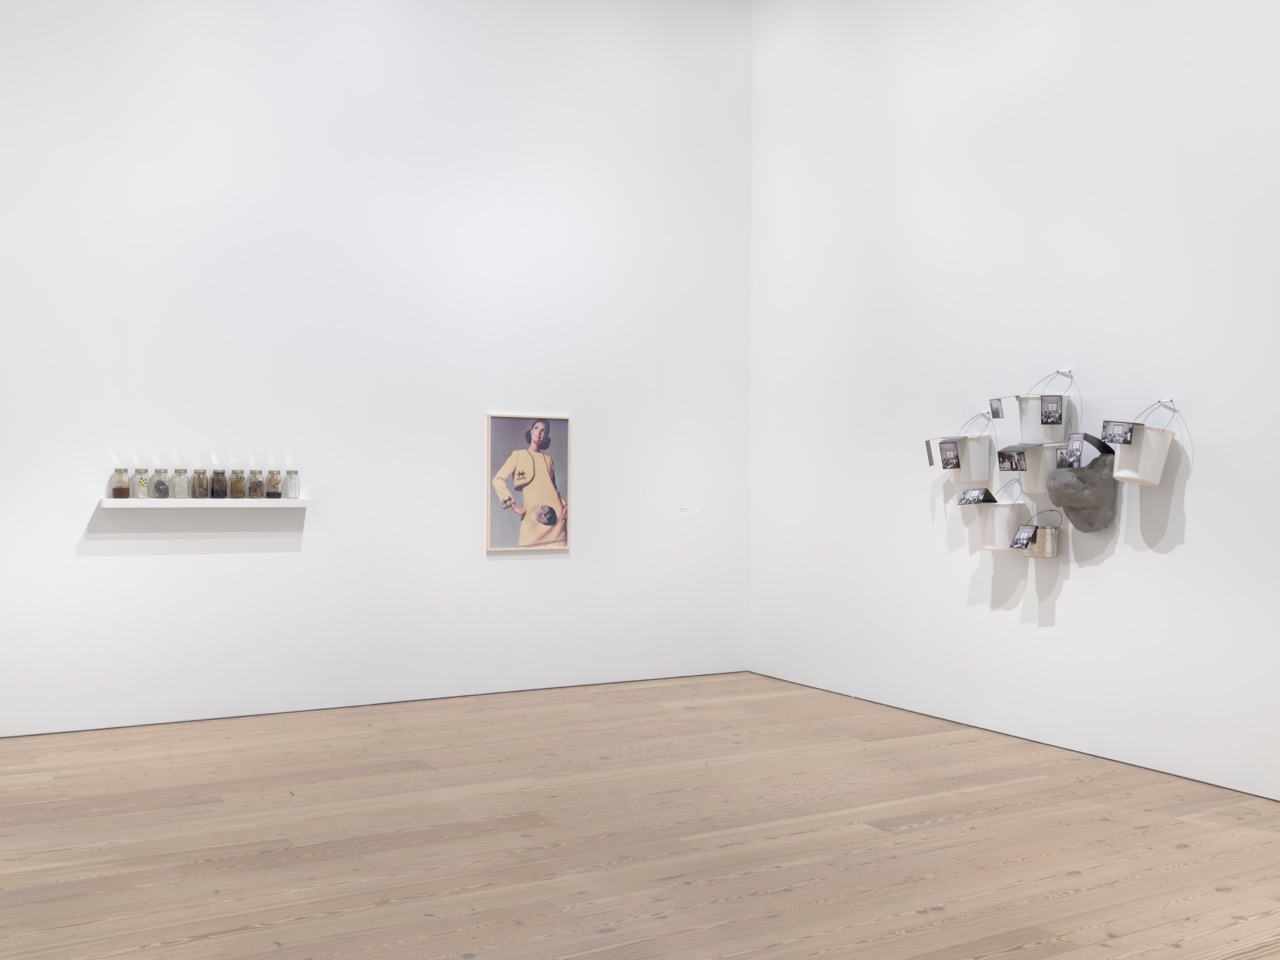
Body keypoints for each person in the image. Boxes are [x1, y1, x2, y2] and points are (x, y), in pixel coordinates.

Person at [491, 419, 568, 549]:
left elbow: (553, 488)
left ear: (546, 437)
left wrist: (565, 505)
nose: (539, 432)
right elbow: (497, 480)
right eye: (536, 428)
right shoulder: (517, 455)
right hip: (531, 519)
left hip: (556, 520)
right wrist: (513, 505)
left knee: (557, 557)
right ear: (531, 431)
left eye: (543, 431)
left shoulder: (549, 460)